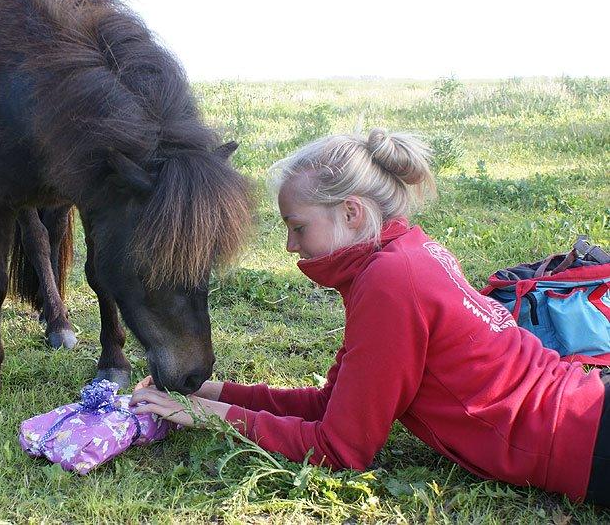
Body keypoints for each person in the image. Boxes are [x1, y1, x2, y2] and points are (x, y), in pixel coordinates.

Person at [130, 129, 609, 505]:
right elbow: (330, 407)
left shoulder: (391, 281)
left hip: (584, 437)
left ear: (352, 213)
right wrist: (208, 393)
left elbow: (340, 449)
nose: (290, 246)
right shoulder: (404, 253)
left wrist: (210, 417)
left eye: (297, 227)